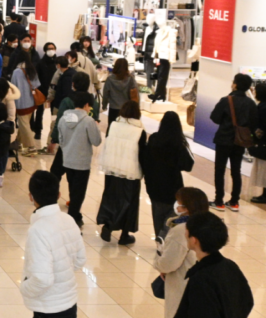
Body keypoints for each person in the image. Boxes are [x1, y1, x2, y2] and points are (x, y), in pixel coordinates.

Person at [6, 171, 87, 318]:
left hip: (51, 312)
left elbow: (42, 279)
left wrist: (24, 288)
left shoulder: (38, 230)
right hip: (64, 306)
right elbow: (80, 261)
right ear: (59, 194)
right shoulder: (68, 220)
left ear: (31, 196)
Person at [152, 187, 209, 318]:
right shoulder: (206, 223)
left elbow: (169, 262)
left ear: (187, 206)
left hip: (183, 284)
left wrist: (158, 263)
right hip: (199, 281)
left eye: (180, 203)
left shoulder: (181, 230)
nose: (177, 206)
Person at [97, 100, 146, 245]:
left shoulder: (113, 125)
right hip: (131, 171)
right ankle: (125, 235)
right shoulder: (139, 131)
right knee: (129, 202)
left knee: (111, 197)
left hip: (112, 167)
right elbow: (142, 155)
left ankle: (108, 224)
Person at [141, 111, 195, 237]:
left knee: (157, 215)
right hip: (173, 186)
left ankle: (159, 239)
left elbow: (145, 160)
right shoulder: (179, 143)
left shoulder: (153, 139)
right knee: (173, 216)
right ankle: (165, 237)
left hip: (154, 184)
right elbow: (188, 165)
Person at [208, 72, 256, 211]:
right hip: (240, 141)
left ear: (235, 85)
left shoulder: (226, 100)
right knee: (236, 170)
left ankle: (219, 201)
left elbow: (215, 117)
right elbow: (254, 123)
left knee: (220, 170)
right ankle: (234, 202)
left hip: (224, 139)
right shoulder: (251, 103)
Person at [57, 92, 102, 228]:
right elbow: (96, 141)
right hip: (82, 162)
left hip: (67, 160)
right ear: (86, 105)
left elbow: (61, 140)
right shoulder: (88, 121)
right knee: (79, 193)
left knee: (73, 189)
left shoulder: (63, 118)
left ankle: (76, 216)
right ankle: (72, 219)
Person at [10, 54, 40, 153]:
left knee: (24, 125)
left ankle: (31, 147)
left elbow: (13, 87)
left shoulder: (16, 71)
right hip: (31, 101)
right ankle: (18, 143)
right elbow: (36, 85)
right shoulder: (32, 70)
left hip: (20, 102)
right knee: (25, 123)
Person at [103, 57, 138, 133]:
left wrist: (104, 105)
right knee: (125, 131)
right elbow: (135, 94)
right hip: (126, 109)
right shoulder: (130, 79)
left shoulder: (110, 79)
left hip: (113, 109)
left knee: (112, 129)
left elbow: (105, 94)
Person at [33, 43, 59, 145]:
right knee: (39, 112)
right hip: (42, 90)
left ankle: (54, 133)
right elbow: (37, 77)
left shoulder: (58, 62)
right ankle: (38, 131)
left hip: (55, 92)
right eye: (49, 49)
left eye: (53, 48)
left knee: (54, 113)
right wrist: (40, 89)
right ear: (45, 50)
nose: (51, 50)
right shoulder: (40, 63)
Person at [249, 82, 266, 204]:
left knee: (264, 171)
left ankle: (265, 195)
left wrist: (254, 136)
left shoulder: (262, 108)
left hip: (263, 144)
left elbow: (261, 127)